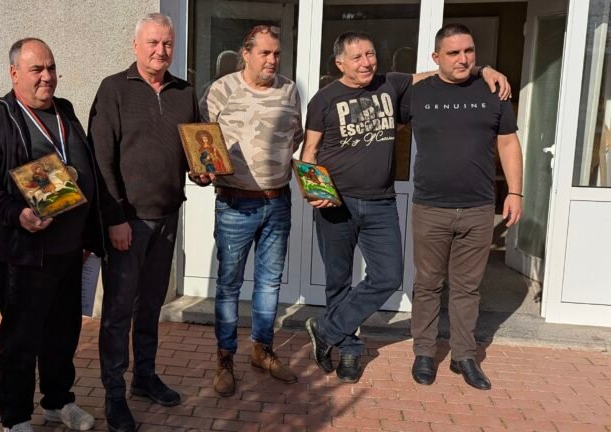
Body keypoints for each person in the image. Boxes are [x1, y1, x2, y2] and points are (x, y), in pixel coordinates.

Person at [302, 31, 511, 383]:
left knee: (388, 277)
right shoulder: (324, 99)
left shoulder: (391, 83)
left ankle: (325, 329)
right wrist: (312, 192)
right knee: (338, 280)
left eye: (371, 54)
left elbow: (442, 70)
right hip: (336, 201)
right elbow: (309, 151)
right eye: (357, 57)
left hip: (381, 202)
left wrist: (484, 70)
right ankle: (349, 349)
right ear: (340, 63)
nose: (367, 63)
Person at [0, 38, 103, 432]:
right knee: (20, 340)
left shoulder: (65, 111)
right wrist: (16, 213)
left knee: (63, 335)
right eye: (37, 69)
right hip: (25, 254)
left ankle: (58, 403)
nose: (47, 77)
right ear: (14, 74)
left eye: (51, 68)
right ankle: (16, 418)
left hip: (70, 251)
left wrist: (89, 237)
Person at [87, 12, 199, 432]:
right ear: (135, 46)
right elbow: (100, 160)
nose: (160, 51)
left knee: (151, 306)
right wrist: (114, 217)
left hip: (168, 216)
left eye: (167, 43)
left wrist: (202, 170)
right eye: (152, 42)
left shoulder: (184, 92)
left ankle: (145, 377)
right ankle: (114, 394)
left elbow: (194, 148)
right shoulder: (114, 89)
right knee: (118, 311)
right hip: (128, 222)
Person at [400, 23, 523, 390]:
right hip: (430, 207)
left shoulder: (494, 92)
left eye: (469, 51)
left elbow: (508, 143)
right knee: (427, 284)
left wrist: (515, 192)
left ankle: (464, 355)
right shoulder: (417, 94)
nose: (463, 58)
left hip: (478, 208)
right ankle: (424, 352)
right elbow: (380, 90)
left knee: (467, 288)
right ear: (436, 57)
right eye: (453, 53)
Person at [200, 24, 303, 398]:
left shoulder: (289, 90)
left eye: (277, 54)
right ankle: (224, 359)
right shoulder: (220, 90)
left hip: (278, 201)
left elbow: (297, 136)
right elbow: (201, 144)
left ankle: (262, 350)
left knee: (269, 283)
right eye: (265, 53)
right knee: (229, 285)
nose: (272, 60)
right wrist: (202, 171)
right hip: (235, 204)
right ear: (246, 53)